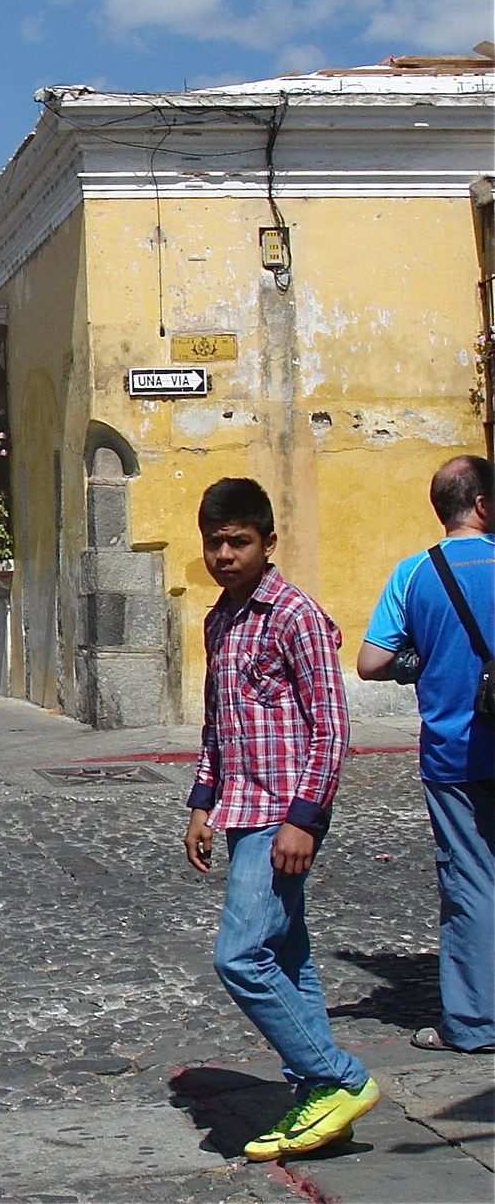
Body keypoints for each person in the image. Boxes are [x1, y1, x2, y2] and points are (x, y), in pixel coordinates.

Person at [183, 477, 379, 1161]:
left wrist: (305, 817)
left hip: (284, 812)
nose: (225, 553)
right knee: (287, 956)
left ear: (268, 541)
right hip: (242, 807)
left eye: (239, 540)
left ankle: (339, 1076)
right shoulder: (220, 621)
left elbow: (331, 724)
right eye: (215, 542)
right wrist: (202, 801)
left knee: (239, 954)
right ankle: (316, 1094)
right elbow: (218, 724)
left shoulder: (294, 614)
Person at [356, 454, 494, 1054]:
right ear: (484, 505)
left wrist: (417, 656)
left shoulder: (415, 574)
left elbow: (370, 662)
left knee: (471, 880)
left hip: (456, 753)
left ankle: (475, 1022)